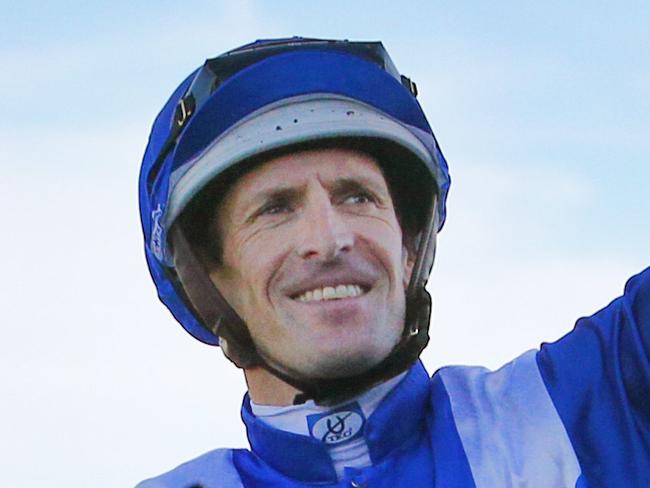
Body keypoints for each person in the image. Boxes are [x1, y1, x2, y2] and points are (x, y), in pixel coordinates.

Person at [137, 38, 649, 487]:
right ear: (210, 283)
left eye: (358, 197)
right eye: (275, 209)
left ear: (408, 251)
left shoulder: (604, 395)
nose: (329, 238)